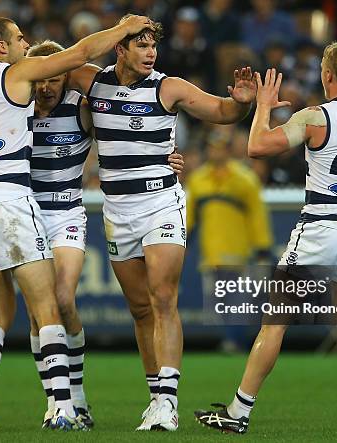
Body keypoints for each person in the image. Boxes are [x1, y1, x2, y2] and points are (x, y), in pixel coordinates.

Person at [0, 38, 185, 430]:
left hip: (64, 213)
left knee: (58, 300)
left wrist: (162, 157)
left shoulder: (82, 107)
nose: (46, 87)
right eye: (43, 80)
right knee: (40, 315)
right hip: (21, 207)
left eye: (55, 79)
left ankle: (67, 402)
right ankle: (66, 403)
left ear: (65, 79)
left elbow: (124, 135)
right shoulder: (14, 104)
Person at [64, 15, 269, 431]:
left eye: (153, 45)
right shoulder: (91, 81)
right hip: (117, 212)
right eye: (140, 45)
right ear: (119, 48)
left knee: (162, 297)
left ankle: (168, 403)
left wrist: (242, 102)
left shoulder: (167, 86)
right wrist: (116, 28)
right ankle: (155, 396)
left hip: (161, 202)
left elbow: (220, 110)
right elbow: (55, 66)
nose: (150, 52)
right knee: (141, 309)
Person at [194, 41, 337, 434]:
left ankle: (238, 413)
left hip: (321, 227)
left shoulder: (314, 117)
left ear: (327, 75)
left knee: (274, 324)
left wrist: (262, 107)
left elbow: (257, 147)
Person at [185, 131, 273, 351]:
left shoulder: (244, 179)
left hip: (237, 248)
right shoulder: (198, 180)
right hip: (211, 251)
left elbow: (257, 215)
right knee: (221, 299)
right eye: (214, 147)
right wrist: (181, 241)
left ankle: (235, 341)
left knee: (235, 298)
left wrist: (262, 248)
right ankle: (238, 341)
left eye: (221, 147)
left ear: (228, 150)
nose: (217, 152)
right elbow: (189, 218)